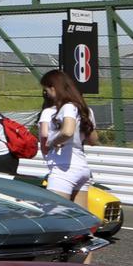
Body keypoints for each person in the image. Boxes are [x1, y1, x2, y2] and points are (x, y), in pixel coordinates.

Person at [40, 70, 99, 206]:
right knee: (80, 217)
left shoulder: (67, 107)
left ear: (53, 88)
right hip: (82, 168)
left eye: (46, 90)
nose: (47, 94)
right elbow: (93, 140)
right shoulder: (86, 110)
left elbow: (67, 132)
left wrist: (53, 142)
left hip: (64, 168)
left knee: (55, 214)